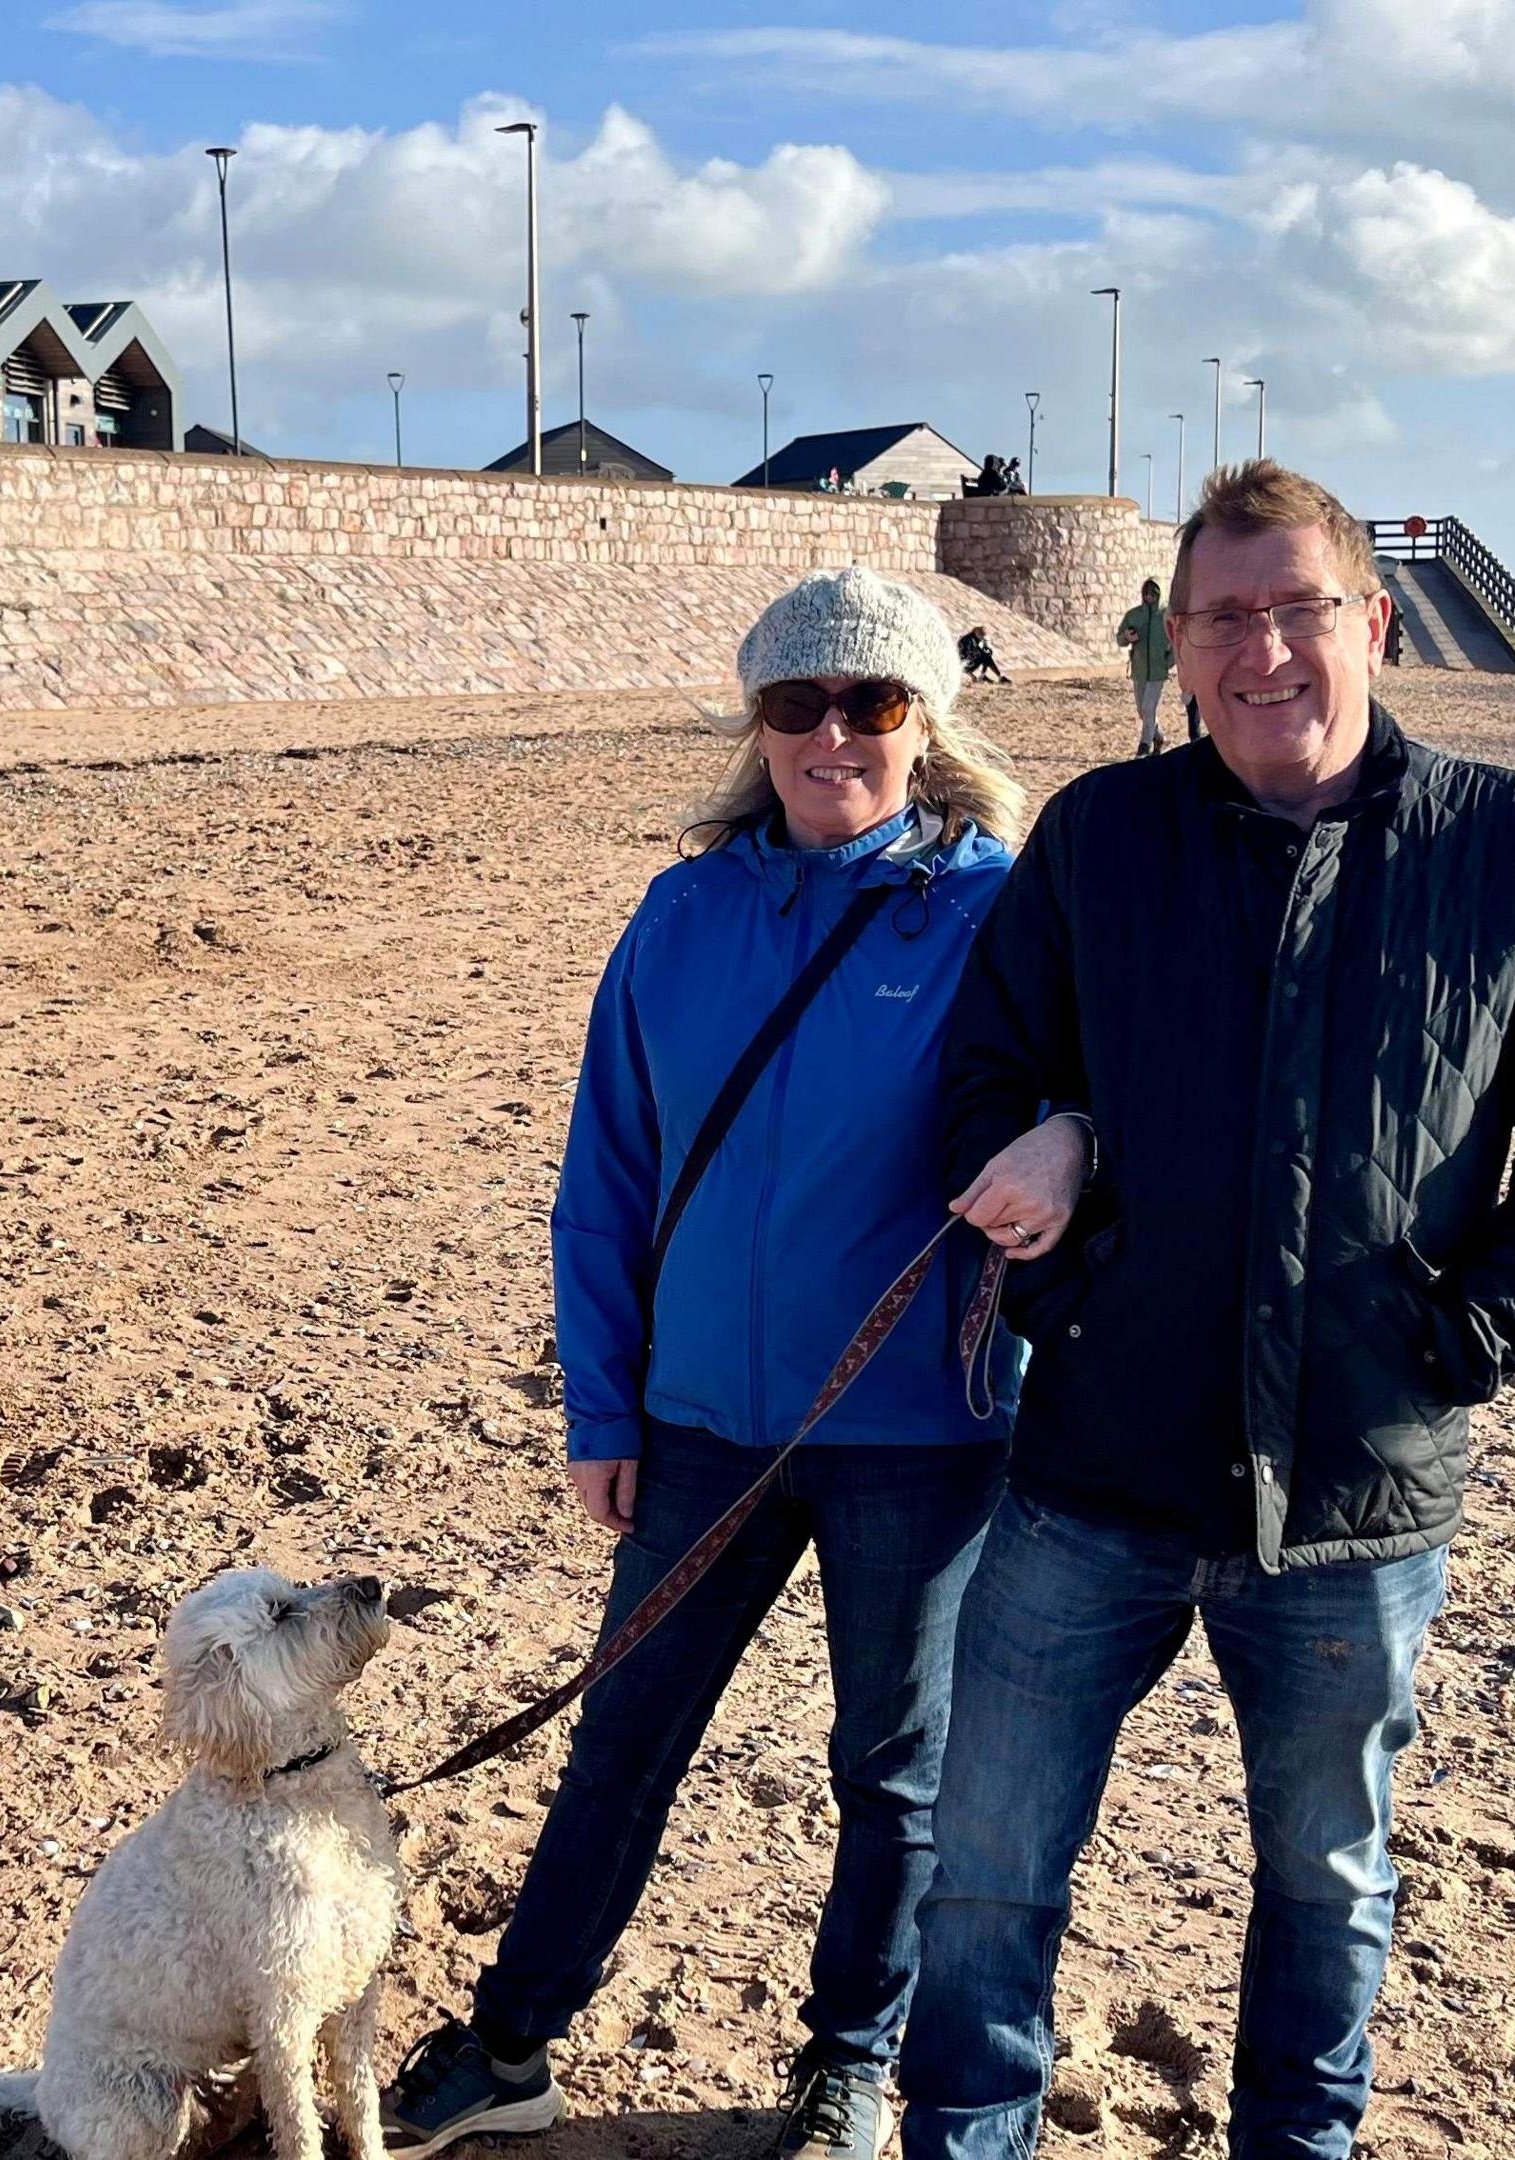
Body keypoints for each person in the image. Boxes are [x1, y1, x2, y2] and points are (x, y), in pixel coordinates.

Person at [899, 461, 1515, 2160]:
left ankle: (1298, 2142)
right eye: (1222, 618)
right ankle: (965, 2129)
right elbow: (978, 1084)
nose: (1262, 651)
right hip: (1091, 1466)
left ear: (1371, 622)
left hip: (1354, 1496)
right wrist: (1067, 1234)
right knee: (989, 1870)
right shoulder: (1104, 838)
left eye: (1296, 608)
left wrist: (1466, 1336)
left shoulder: (1513, 847)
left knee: (1326, 1879)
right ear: (1175, 646)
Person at [384, 568, 1032, 2160]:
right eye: (795, 703)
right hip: (695, 1429)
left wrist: (1074, 1136)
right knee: (624, 1739)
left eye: (871, 703)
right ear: (756, 722)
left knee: (894, 1773)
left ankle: (850, 2063)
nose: (833, 737)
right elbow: (603, 1174)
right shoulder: (682, 914)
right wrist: (603, 1405)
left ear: (925, 720)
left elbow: (1091, 1111)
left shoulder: (1000, 911)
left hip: (915, 1432)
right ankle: (515, 2042)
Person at [1114, 577, 1173, 757]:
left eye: (1153, 594)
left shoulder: (1167, 616)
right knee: (1142, 710)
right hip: (1139, 669)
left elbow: (1177, 643)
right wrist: (1126, 637)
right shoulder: (1134, 615)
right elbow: (1120, 639)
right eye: (1146, 594)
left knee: (1149, 708)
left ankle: (1144, 746)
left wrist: (1167, 663)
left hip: (1157, 671)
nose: (1149, 598)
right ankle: (1158, 736)